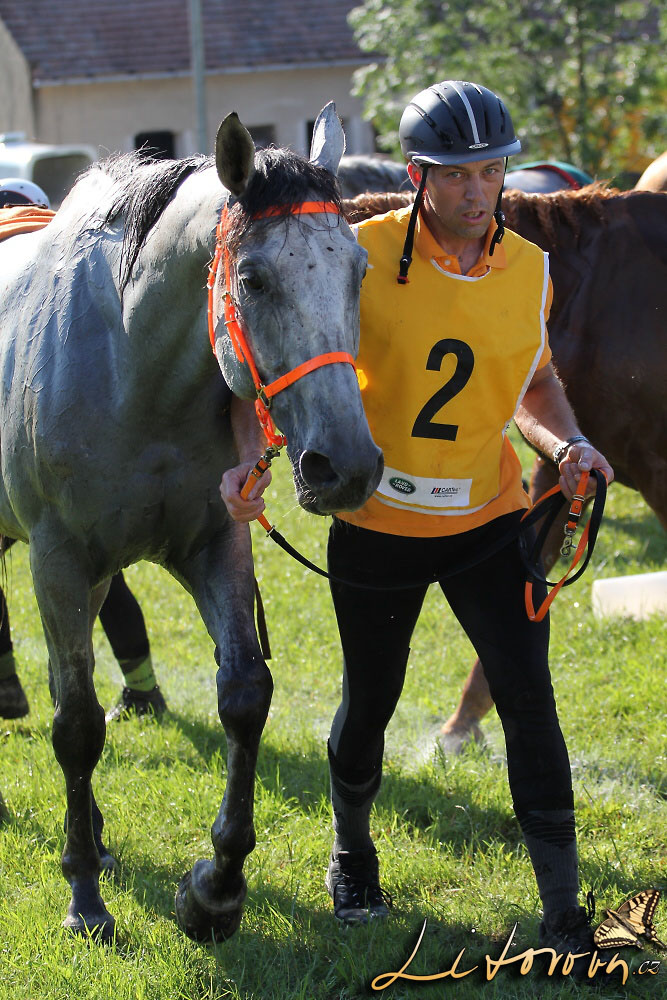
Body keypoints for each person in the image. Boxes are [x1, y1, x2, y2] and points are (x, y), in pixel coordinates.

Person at [219, 82, 614, 969]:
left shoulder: (529, 267)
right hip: (377, 523)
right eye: (456, 175)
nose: (477, 191)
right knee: (371, 700)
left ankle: (562, 914)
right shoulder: (354, 254)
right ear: (415, 176)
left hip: (489, 523)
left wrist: (569, 444)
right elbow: (263, 352)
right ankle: (352, 853)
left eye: (491, 171)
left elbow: (533, 381)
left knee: (529, 702)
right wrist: (251, 458)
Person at [0, 178, 166, 722]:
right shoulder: (59, 255)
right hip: (78, 448)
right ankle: (142, 687)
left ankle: (5, 681)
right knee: (101, 574)